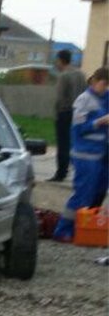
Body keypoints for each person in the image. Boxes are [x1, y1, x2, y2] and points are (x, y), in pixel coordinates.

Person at [53, 67, 109, 242]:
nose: (106, 88)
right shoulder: (83, 100)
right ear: (95, 80)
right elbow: (78, 129)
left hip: (101, 155)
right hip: (85, 155)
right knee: (83, 193)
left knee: (97, 193)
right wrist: (99, 122)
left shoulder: (105, 98)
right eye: (104, 84)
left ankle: (84, 228)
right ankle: (63, 230)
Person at [47, 49, 88, 182]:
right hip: (80, 112)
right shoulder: (81, 74)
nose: (56, 63)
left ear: (60, 60)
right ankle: (81, 171)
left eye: (57, 60)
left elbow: (60, 97)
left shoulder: (64, 76)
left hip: (65, 112)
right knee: (77, 142)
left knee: (63, 143)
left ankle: (61, 172)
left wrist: (57, 112)